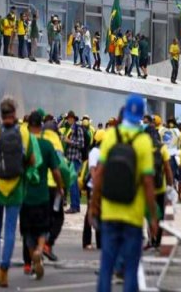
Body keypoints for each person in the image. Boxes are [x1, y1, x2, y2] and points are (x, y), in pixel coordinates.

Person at [90, 94, 158, 292]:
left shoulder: (111, 136)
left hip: (110, 211)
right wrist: (152, 215)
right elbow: (147, 181)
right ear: (142, 115)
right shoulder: (144, 141)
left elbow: (99, 174)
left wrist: (94, 204)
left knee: (106, 266)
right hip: (133, 215)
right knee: (131, 268)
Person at [0, 97, 34, 287]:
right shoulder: (24, 133)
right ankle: (4, 271)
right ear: (15, 113)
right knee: (11, 229)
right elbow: (32, 160)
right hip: (16, 186)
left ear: (1, 114)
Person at [21, 112, 63, 280]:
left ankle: (33, 258)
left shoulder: (24, 146)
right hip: (43, 196)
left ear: (29, 126)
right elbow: (56, 171)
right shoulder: (46, 145)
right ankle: (40, 250)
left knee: (28, 233)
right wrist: (60, 188)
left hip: (25, 196)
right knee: (43, 229)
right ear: (42, 126)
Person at [83, 129, 104, 250]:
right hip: (93, 186)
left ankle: (100, 241)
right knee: (90, 213)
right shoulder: (95, 152)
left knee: (100, 214)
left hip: (101, 187)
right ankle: (86, 241)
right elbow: (93, 169)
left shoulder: (103, 151)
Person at [62, 111, 85, 214]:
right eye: (68, 118)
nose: (68, 120)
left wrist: (68, 141)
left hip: (76, 159)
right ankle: (76, 206)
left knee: (72, 183)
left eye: (70, 118)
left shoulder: (78, 129)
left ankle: (74, 206)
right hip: (71, 159)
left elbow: (81, 144)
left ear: (73, 119)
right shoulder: (71, 129)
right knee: (73, 183)